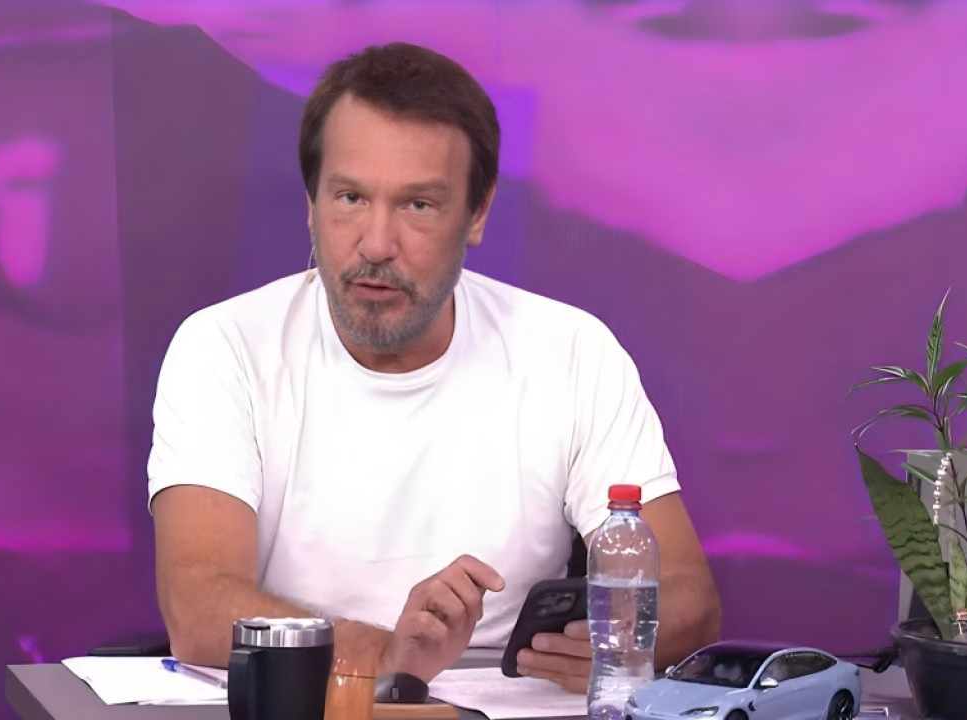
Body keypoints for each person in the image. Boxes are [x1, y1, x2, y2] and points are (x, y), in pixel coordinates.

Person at [147, 41, 721, 693]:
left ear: (476, 214)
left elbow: (688, 597)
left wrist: (622, 642)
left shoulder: (572, 352)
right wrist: (391, 654)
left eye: (417, 205)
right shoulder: (224, 346)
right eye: (350, 197)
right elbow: (200, 606)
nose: (376, 244)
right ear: (311, 201)